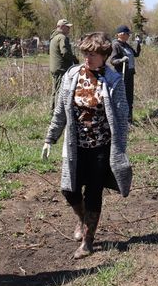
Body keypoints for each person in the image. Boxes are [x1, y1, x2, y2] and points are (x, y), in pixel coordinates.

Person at [41, 32, 133, 259]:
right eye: (85, 54)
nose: (87, 58)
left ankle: (88, 241)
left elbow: (122, 120)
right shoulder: (72, 75)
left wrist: (119, 152)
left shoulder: (113, 81)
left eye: (92, 54)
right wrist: (50, 138)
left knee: (93, 192)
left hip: (101, 148)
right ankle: (82, 220)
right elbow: (60, 111)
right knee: (68, 189)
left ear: (103, 56)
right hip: (75, 146)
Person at [108, 25, 141, 122]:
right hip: (120, 75)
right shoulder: (116, 45)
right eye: (127, 34)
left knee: (129, 96)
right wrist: (121, 60)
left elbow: (136, 54)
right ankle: (120, 120)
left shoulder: (126, 45)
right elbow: (113, 61)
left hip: (130, 74)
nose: (128, 36)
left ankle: (129, 119)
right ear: (121, 34)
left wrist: (138, 43)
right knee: (122, 97)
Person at [49, 18, 79, 111]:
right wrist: (75, 59)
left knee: (55, 90)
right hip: (61, 68)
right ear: (62, 27)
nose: (69, 29)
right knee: (60, 91)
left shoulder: (54, 37)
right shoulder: (62, 37)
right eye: (67, 27)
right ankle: (57, 112)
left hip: (55, 68)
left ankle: (53, 110)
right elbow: (65, 52)